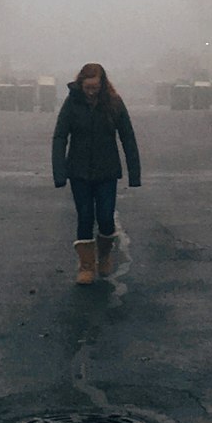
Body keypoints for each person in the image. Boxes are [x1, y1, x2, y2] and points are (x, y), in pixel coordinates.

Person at [52, 62, 141, 284]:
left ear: (102, 85)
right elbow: (60, 136)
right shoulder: (72, 103)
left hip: (107, 171)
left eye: (95, 87)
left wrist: (135, 173)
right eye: (87, 87)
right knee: (84, 216)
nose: (91, 91)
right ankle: (86, 266)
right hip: (79, 171)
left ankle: (104, 254)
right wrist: (59, 171)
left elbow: (127, 137)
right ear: (81, 84)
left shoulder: (114, 103)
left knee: (105, 216)